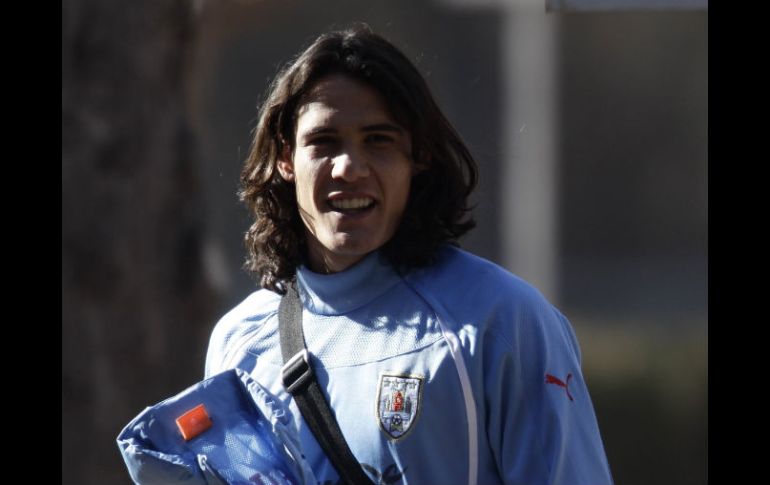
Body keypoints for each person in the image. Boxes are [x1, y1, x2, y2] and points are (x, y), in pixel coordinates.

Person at [205, 24, 614, 485]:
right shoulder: (238, 342)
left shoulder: (501, 322)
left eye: (378, 140)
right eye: (324, 142)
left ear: (417, 156)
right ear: (285, 159)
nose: (349, 168)